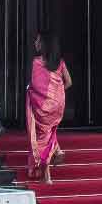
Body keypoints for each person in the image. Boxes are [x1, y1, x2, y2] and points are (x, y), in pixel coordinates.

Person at [26, 31, 71, 185]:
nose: (35, 43)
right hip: (57, 106)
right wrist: (57, 94)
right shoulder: (60, 62)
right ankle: (57, 150)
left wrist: (30, 92)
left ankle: (47, 176)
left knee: (42, 139)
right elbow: (68, 82)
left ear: (44, 44)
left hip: (43, 107)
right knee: (50, 134)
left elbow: (36, 86)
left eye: (38, 41)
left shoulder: (37, 62)